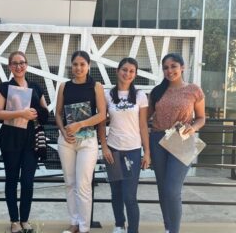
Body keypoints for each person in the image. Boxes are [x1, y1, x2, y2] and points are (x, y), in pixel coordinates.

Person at [148, 53, 205, 233]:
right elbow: (144, 117)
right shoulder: (157, 92)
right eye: (165, 67)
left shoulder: (194, 90)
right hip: (157, 140)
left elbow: (202, 118)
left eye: (173, 66)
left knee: (172, 189)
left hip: (182, 139)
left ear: (182, 67)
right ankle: (168, 228)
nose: (169, 70)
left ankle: (174, 231)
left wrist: (193, 127)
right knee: (163, 189)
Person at [0, 51, 48, 233]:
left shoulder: (36, 87)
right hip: (10, 139)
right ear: (9, 66)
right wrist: (20, 113)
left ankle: (25, 219)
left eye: (22, 62)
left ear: (27, 65)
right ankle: (14, 221)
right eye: (15, 63)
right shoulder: (4, 87)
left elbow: (46, 113)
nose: (19, 66)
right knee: (11, 180)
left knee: (27, 181)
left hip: (31, 141)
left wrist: (33, 113)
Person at [97, 57, 151, 233]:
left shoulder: (140, 96)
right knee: (116, 193)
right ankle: (119, 224)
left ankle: (132, 230)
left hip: (133, 151)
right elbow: (101, 123)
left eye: (131, 71)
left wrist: (147, 152)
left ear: (135, 75)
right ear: (117, 71)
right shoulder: (107, 95)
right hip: (113, 149)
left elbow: (143, 125)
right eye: (124, 69)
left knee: (129, 196)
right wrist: (104, 147)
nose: (127, 73)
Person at [55, 50, 106, 233]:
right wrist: (63, 130)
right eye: (75, 64)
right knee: (70, 182)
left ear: (88, 66)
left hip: (87, 141)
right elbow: (58, 113)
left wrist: (80, 124)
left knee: (83, 184)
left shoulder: (96, 86)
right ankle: (74, 222)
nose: (78, 68)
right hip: (67, 140)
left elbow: (102, 114)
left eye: (82, 64)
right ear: (71, 66)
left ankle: (84, 227)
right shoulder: (64, 86)